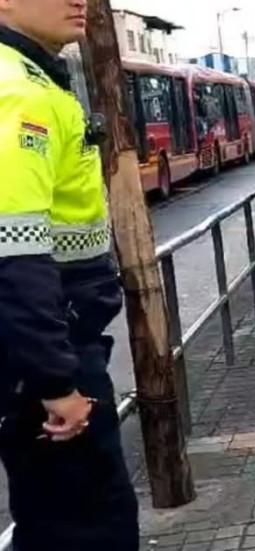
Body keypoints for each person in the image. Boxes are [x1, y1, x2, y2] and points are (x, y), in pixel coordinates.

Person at [0, 1, 139, 549]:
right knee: (88, 526)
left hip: (47, 348)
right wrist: (56, 383)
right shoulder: (19, 93)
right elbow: (12, 255)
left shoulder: (37, 78)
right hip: (46, 360)